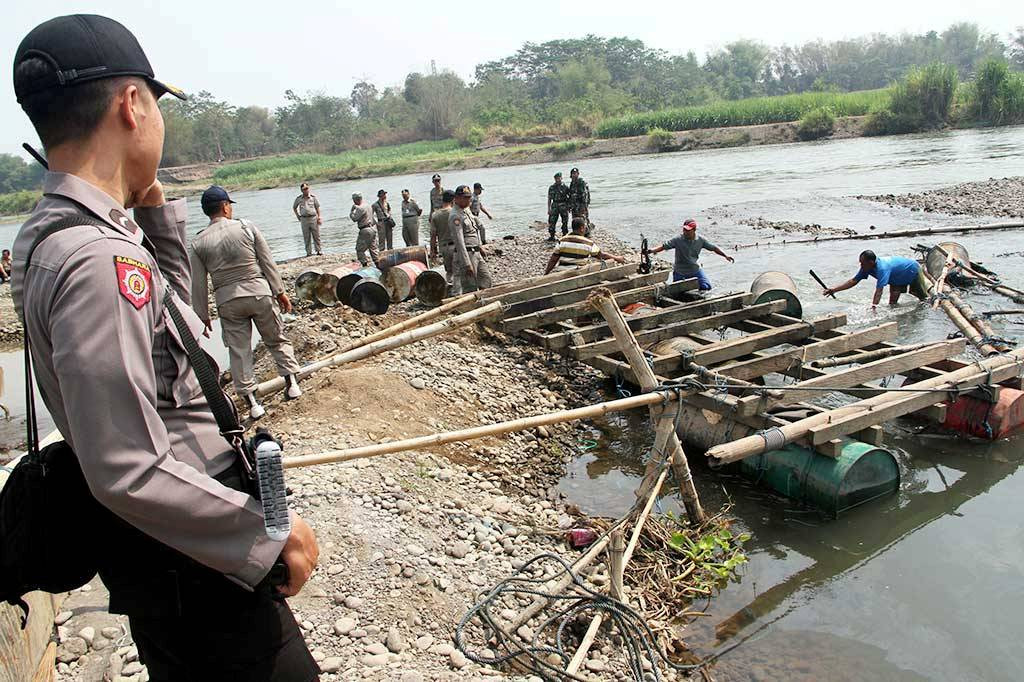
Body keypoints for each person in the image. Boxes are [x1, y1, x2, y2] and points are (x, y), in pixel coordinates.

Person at [11, 14, 319, 680]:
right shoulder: (96, 258)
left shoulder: (54, 238)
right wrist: (264, 535)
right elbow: (125, 463)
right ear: (131, 104)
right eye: (155, 106)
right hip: (195, 563)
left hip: (173, 555)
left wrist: (152, 214)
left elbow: (172, 335)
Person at [190, 186, 303, 420]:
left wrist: (202, 315)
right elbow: (267, 261)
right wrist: (279, 291)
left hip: (228, 301)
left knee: (239, 351)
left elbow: (198, 284)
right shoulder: (246, 227)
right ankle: (291, 383)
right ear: (225, 206)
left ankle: (253, 402)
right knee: (276, 338)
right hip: (259, 293)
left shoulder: (198, 242)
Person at [823, 250, 928, 308]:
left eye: (862, 263)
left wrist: (874, 307)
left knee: (923, 300)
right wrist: (833, 290)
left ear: (871, 263)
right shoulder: (866, 267)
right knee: (892, 304)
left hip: (912, 270)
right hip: (896, 278)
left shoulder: (882, 268)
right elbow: (853, 281)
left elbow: (879, 291)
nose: (860, 265)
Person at [650, 218, 734, 290]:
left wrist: (725, 256)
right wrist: (651, 251)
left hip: (694, 270)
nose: (685, 232)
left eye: (688, 230)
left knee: (706, 287)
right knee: (677, 292)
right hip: (680, 272)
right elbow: (664, 246)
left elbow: (714, 248)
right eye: (684, 230)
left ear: (694, 230)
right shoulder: (678, 239)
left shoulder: (701, 240)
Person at [450, 185, 492, 294]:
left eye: (469, 197)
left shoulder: (466, 210)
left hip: (476, 252)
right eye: (465, 198)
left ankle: (485, 302)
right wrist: (467, 264)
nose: (469, 200)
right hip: (468, 254)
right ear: (457, 198)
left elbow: (474, 230)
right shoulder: (455, 215)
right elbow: (459, 242)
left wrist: (480, 246)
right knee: (471, 286)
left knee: (486, 280)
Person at [544, 218, 625, 274]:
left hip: (562, 272)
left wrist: (546, 273)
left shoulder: (562, 241)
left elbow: (553, 260)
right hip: (580, 272)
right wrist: (617, 258)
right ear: (582, 228)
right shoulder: (588, 243)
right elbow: (601, 255)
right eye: (585, 227)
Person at [429, 189, 456, 285]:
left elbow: (433, 235)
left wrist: (432, 251)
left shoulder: (435, 215)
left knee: (449, 272)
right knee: (460, 271)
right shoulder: (455, 212)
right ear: (453, 200)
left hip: (444, 247)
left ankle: (451, 290)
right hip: (456, 246)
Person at [291, 182, 322, 257]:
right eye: (304, 189)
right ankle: (309, 252)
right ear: (301, 190)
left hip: (313, 218)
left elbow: (317, 207)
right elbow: (294, 207)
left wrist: (319, 217)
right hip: (304, 219)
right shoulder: (299, 199)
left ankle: (318, 250)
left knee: (316, 235)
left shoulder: (313, 197)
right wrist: (298, 216)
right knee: (306, 236)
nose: (306, 190)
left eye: (307, 188)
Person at [349, 192, 379, 266]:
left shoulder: (359, 208)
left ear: (355, 200)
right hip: (372, 228)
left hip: (365, 230)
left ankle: (364, 264)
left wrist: (352, 211)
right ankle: (378, 264)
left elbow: (354, 218)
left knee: (359, 249)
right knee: (373, 248)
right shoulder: (368, 205)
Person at [547, 172, 571, 241]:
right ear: (554, 179)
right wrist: (548, 209)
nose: (558, 179)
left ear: (561, 178)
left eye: (559, 178)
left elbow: (570, 196)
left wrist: (569, 206)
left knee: (565, 221)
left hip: (563, 205)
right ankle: (552, 236)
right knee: (552, 221)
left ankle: (565, 235)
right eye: (556, 178)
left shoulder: (565, 187)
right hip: (554, 205)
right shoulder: (551, 187)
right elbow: (549, 199)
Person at [568, 167, 591, 235]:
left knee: (583, 218)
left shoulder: (581, 182)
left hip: (581, 205)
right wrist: (570, 205)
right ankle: (577, 232)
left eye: (575, 173)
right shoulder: (572, 183)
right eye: (573, 174)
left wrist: (584, 206)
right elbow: (571, 195)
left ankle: (587, 233)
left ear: (578, 174)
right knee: (575, 219)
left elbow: (585, 195)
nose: (574, 175)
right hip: (574, 205)